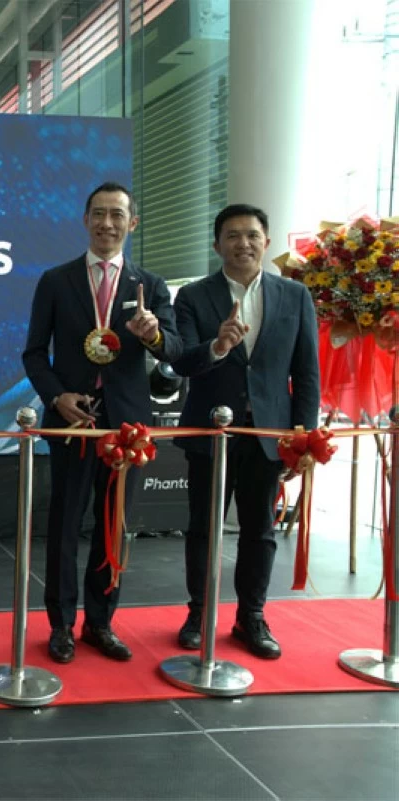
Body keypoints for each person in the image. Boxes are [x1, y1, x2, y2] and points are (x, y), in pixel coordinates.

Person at [22, 182, 181, 664]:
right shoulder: (56, 280)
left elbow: (172, 349)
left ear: (133, 224)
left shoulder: (150, 287)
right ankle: (61, 625)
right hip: (72, 420)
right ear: (85, 219)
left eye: (117, 215)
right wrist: (57, 396)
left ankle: (101, 622)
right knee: (66, 523)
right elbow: (33, 353)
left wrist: (153, 336)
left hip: (127, 427)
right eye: (99, 214)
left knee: (115, 527)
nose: (107, 223)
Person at [171, 203, 319, 659]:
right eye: (232, 236)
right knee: (203, 529)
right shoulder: (194, 297)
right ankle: (198, 613)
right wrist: (217, 345)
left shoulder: (294, 297)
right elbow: (181, 362)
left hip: (268, 433)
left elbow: (307, 374)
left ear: (267, 242)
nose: (243, 244)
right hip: (210, 433)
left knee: (261, 531)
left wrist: (303, 439)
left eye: (252, 235)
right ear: (217, 245)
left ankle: (251, 617)